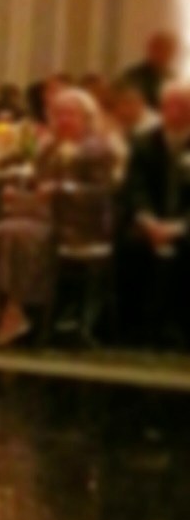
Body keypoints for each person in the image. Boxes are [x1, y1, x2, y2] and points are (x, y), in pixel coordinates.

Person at [0, 88, 115, 347]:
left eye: (70, 114)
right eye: (58, 114)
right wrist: (18, 193)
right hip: (45, 216)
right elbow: (37, 182)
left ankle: (16, 312)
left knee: (20, 235)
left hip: (79, 224)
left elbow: (102, 193)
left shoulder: (96, 149)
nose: (63, 120)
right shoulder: (51, 147)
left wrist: (62, 189)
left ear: (86, 117)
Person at [116, 81, 190, 349]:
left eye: (183, 106)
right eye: (170, 106)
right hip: (150, 221)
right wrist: (149, 222)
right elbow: (135, 189)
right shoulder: (144, 142)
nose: (176, 112)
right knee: (131, 246)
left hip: (184, 223)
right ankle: (135, 327)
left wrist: (179, 228)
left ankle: (179, 326)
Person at [121, 31, 180, 110]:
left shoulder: (173, 79)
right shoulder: (133, 76)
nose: (162, 53)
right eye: (159, 49)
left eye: (167, 50)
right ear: (150, 49)